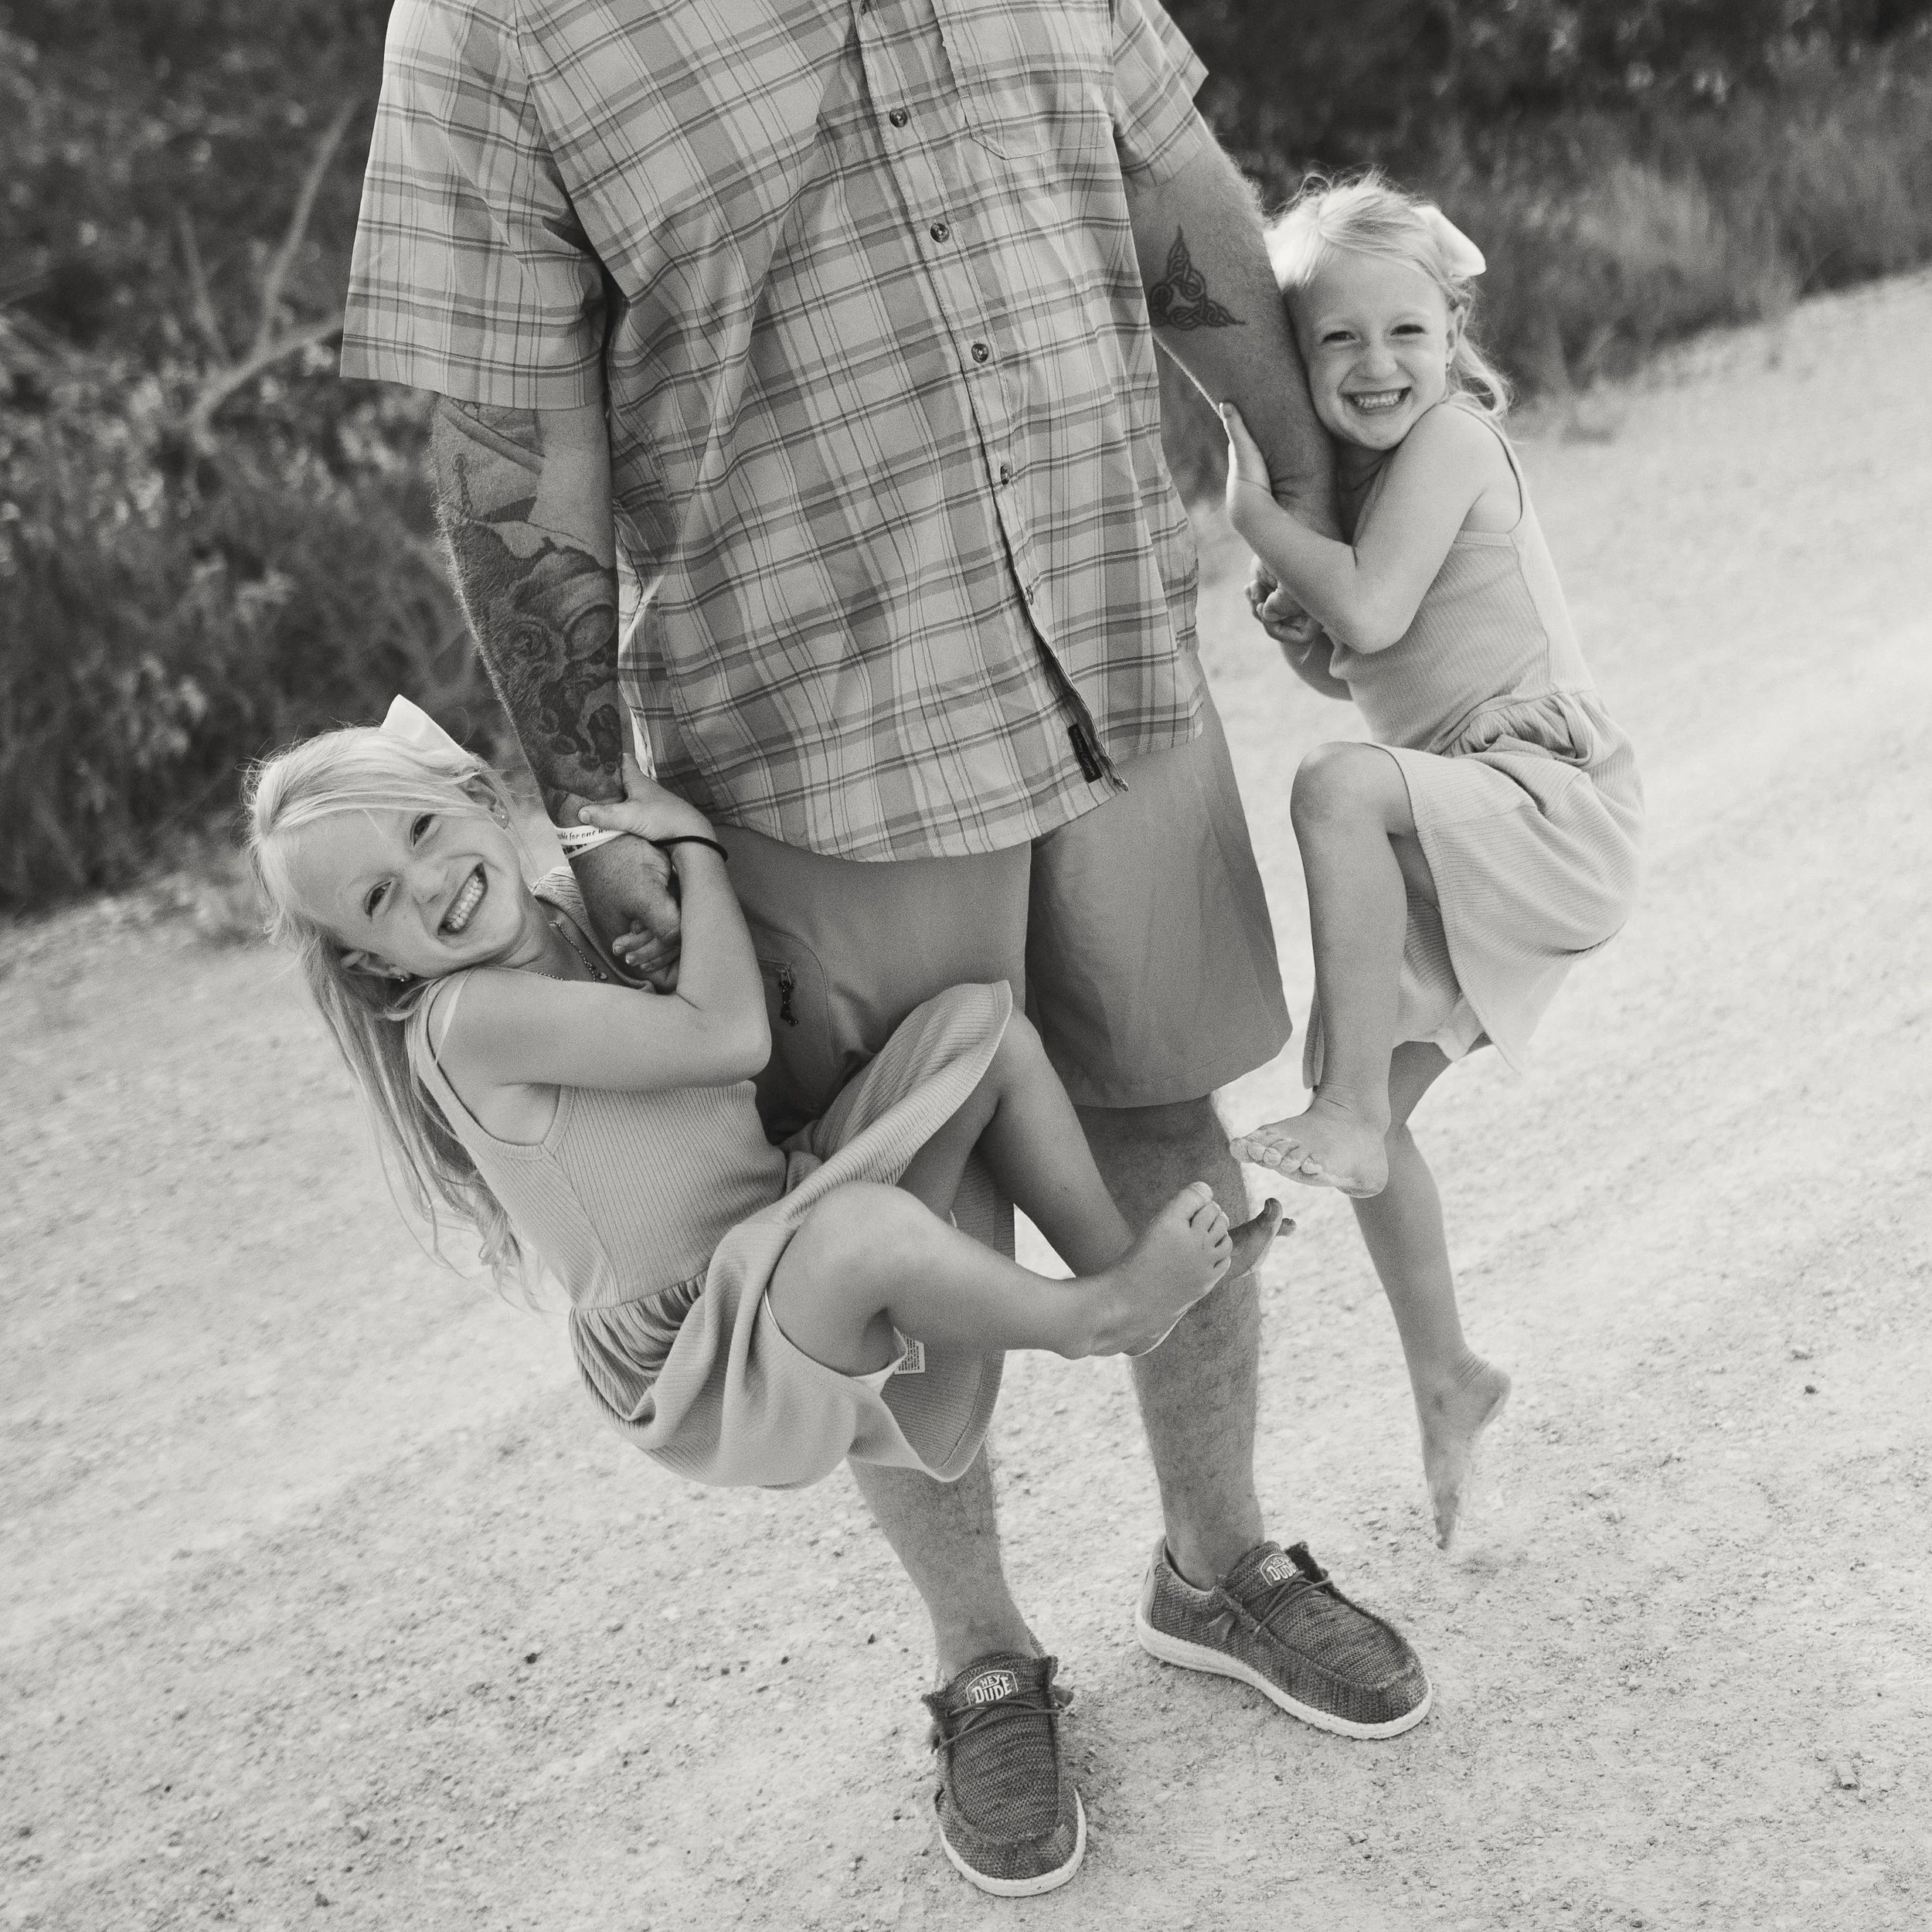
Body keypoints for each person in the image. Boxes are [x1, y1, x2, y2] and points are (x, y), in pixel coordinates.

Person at [343, 0, 1432, 1893]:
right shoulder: (487, 25)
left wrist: (1310, 487)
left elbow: (1161, 173)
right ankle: (983, 1660)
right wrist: (596, 804)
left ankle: (1218, 1559)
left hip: (1107, 639)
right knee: (895, 1210)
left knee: (1169, 1119)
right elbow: (513, 435)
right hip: (805, 735)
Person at [246, 707, 1281, 1497]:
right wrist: (693, 849)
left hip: (784, 1244)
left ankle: (1129, 1278)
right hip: (703, 1360)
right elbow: (728, 1037)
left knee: (987, 1036)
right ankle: (1091, 1317)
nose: (427, 882)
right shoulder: (466, 1019)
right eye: (379, 897)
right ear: (373, 966)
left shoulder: (572, 919)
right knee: (862, 1227)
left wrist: (651, 931)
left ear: (479, 796)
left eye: (423, 829)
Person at [1219, 172, 1645, 1548]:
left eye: (1405, 331)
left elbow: (1378, 606)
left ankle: (1341, 1111)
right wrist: (1308, 639)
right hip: (1472, 799)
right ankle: (1449, 1378)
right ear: (1302, 359)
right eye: (1336, 340)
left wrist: (1257, 521)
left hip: (1549, 804)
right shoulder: (1376, 481)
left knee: (1333, 795)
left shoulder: (1455, 439)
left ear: (1452, 334)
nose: (1377, 364)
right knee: (1382, 1122)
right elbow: (1389, 672)